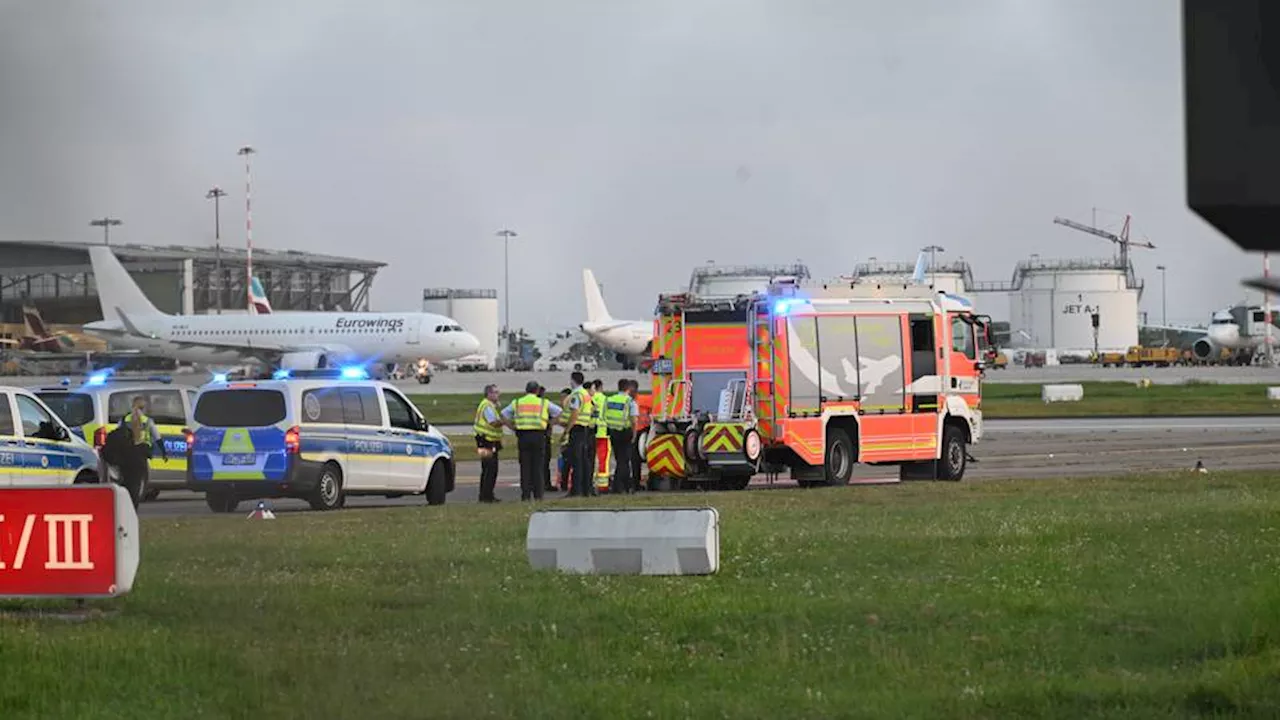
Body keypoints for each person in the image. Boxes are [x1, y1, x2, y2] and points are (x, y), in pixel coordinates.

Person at [501, 381, 562, 501]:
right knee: (538, 467)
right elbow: (559, 412)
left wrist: (512, 427)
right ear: (537, 391)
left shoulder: (517, 402)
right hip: (539, 436)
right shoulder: (543, 402)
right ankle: (538, 495)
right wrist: (549, 424)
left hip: (523, 436)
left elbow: (503, 415)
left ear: (526, 390)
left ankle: (526, 495)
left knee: (525, 467)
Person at [116, 395, 166, 507]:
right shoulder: (147, 421)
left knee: (126, 481)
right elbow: (157, 437)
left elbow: (117, 435)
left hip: (126, 455)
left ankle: (125, 505)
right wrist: (163, 452)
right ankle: (134, 506)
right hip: (141, 454)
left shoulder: (124, 420)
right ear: (143, 408)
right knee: (137, 483)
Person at [603, 379, 639, 494]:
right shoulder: (629, 401)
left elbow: (604, 415)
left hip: (613, 431)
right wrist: (634, 435)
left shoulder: (610, 399)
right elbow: (633, 421)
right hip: (625, 432)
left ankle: (627, 485)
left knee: (620, 459)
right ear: (628, 388)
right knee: (623, 461)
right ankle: (617, 486)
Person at [564, 371, 594, 496]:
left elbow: (574, 414)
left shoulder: (576, 395)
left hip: (577, 429)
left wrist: (567, 430)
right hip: (585, 428)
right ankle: (586, 489)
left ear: (573, 380)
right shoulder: (585, 394)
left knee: (576, 461)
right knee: (584, 460)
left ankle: (576, 490)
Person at [472, 384, 504, 503]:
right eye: (495, 392)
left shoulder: (489, 405)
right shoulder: (487, 406)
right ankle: (486, 495)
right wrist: (505, 421)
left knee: (488, 468)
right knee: (490, 468)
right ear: (489, 394)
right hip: (486, 442)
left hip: (487, 441)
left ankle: (486, 494)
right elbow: (493, 423)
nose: (498, 394)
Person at [590, 379, 609, 493]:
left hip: (592, 431)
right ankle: (603, 484)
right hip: (603, 433)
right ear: (601, 387)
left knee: (590, 459)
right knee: (603, 459)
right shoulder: (605, 399)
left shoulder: (590, 398)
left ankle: (590, 481)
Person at [537, 385, 556, 493]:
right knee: (544, 462)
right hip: (543, 435)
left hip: (533, 434)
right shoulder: (545, 404)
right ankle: (545, 484)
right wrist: (550, 424)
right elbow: (558, 413)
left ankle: (535, 484)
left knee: (536, 462)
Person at [628, 379, 646, 491]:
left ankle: (636, 482)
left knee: (636, 459)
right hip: (629, 432)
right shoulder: (627, 401)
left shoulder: (644, 400)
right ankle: (634, 482)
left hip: (641, 432)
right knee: (632, 460)